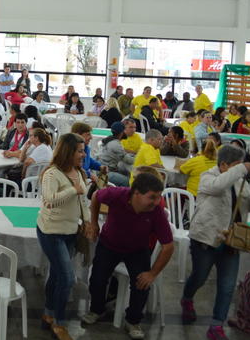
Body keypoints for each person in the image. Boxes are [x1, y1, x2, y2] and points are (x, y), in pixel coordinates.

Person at [180, 145, 250, 340]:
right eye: (236, 165)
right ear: (223, 165)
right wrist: (242, 169)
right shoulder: (208, 177)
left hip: (232, 241)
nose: (240, 169)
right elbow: (218, 187)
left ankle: (216, 325)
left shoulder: (239, 182)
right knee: (199, 277)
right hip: (206, 238)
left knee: (227, 286)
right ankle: (187, 298)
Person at [83, 172, 174, 339]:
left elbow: (168, 246)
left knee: (142, 284)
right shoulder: (116, 195)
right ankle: (97, 309)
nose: (156, 202)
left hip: (137, 250)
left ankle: (133, 321)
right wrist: (94, 222)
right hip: (109, 244)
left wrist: (152, 274)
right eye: (152, 197)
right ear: (136, 193)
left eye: (158, 197)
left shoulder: (156, 212)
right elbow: (96, 195)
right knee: (97, 279)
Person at [36, 133, 92, 340]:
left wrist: (86, 221)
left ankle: (48, 314)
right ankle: (59, 323)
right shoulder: (52, 174)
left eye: (83, 150)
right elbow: (49, 200)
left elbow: (82, 201)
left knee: (57, 275)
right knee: (67, 278)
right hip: (51, 232)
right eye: (79, 151)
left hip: (70, 231)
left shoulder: (79, 172)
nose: (83, 154)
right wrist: (72, 190)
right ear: (68, 152)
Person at [98, 122, 132, 187]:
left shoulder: (109, 139)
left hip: (103, 169)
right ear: (122, 132)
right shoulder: (115, 144)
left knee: (124, 171)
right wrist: (139, 158)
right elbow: (129, 160)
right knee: (129, 182)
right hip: (106, 173)